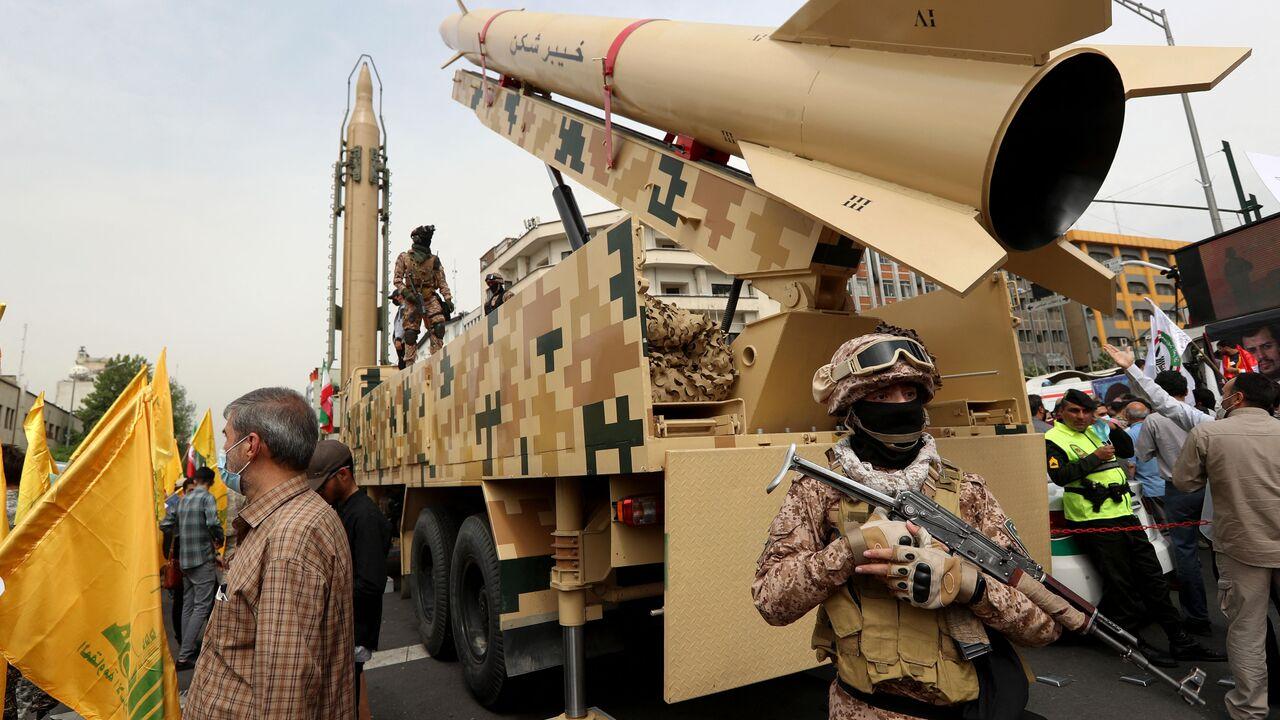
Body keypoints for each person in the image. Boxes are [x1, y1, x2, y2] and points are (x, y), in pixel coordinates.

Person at [754, 327, 1063, 719]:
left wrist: (966, 585)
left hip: (966, 708)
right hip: (863, 709)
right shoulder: (819, 491)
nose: (899, 405)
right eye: (882, 396)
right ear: (852, 407)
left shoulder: (967, 492)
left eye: (909, 393)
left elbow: (1042, 626)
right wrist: (851, 549)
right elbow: (772, 602)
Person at [184, 387, 355, 719]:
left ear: (251, 445)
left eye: (227, 437)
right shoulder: (283, 521)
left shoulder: (290, 536)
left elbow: (285, 696)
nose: (224, 450)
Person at [1044, 388, 1222, 666]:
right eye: (1074, 411)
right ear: (1061, 413)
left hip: (1124, 514)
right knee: (1121, 585)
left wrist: (1113, 429)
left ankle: (1180, 640)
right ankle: (1134, 645)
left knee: (1153, 578)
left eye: (1086, 411)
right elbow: (1060, 475)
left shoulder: (1095, 430)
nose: (1081, 416)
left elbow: (1127, 451)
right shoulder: (1054, 437)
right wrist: (1096, 457)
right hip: (1093, 521)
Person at [1173, 372, 1280, 720]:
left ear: (1239, 398)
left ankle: (1250, 709)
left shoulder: (1208, 433)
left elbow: (1184, 482)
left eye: (1226, 392)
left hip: (1240, 546)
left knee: (1247, 632)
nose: (1222, 397)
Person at [308, 440, 393, 719]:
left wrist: (325, 596)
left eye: (323, 485)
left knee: (347, 697)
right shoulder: (344, 508)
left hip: (355, 627)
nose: (319, 492)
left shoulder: (365, 517)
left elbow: (370, 584)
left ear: (343, 475)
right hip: (345, 623)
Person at [1135, 371, 1210, 635]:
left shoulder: (1153, 420)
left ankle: (1198, 617)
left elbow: (1143, 454)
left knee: (1185, 552)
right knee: (1222, 549)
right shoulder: (1202, 415)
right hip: (1210, 488)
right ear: (1186, 391)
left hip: (1178, 490)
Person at [159, 466, 223, 670]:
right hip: (202, 559)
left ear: (194, 481)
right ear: (211, 482)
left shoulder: (182, 499)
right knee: (201, 607)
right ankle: (185, 656)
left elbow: (164, 524)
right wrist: (219, 537)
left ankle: (185, 650)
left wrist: (181, 531)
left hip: (185, 561)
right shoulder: (207, 498)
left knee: (188, 605)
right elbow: (212, 522)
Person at [393, 225, 453, 362]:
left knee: (439, 326)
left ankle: (436, 358)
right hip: (411, 300)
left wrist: (448, 298)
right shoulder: (405, 257)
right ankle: (409, 363)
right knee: (410, 333)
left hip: (430, 297)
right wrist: (406, 293)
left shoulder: (433, 260)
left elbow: (442, 281)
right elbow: (397, 280)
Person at [161, 475, 195, 645]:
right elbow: (165, 527)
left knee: (192, 601)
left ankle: (188, 638)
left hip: (193, 562)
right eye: (190, 491)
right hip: (180, 562)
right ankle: (181, 638)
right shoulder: (176, 508)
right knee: (180, 600)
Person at [1121, 399, 1165, 519]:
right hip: (1169, 484)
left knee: (1161, 524)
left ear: (1127, 416)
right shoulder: (1159, 429)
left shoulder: (1129, 435)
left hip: (1150, 488)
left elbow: (1131, 465)